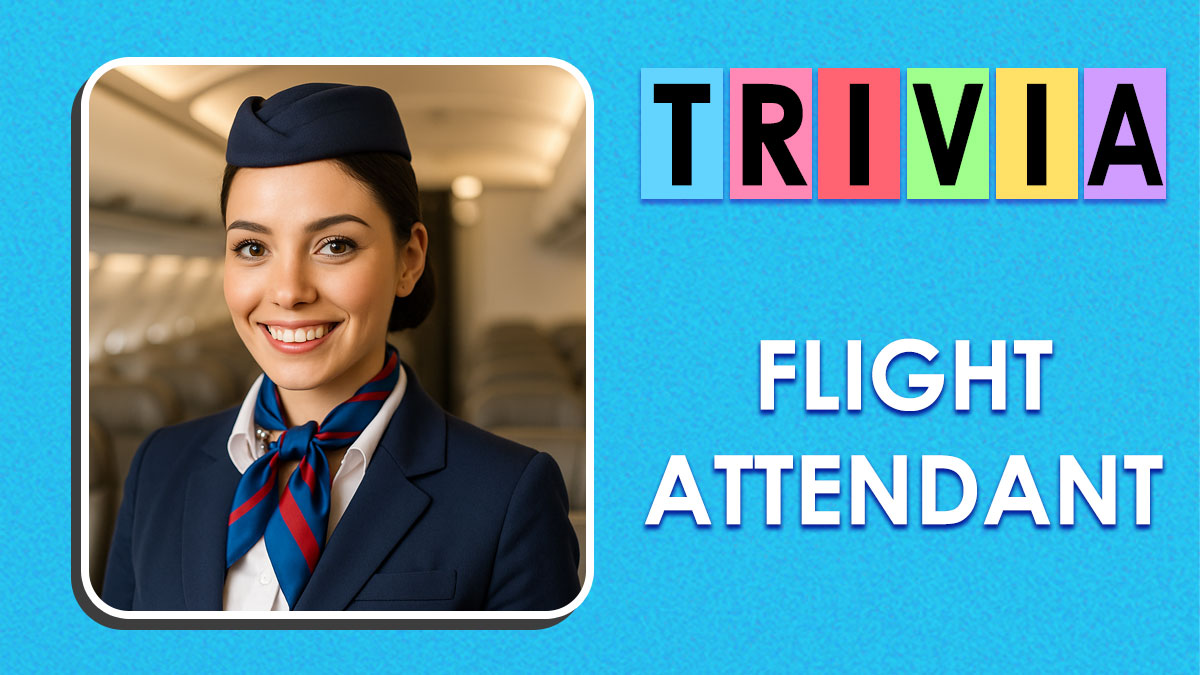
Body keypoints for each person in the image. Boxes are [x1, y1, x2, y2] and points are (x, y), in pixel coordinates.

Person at [101, 82, 581, 611]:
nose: (289, 291)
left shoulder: (506, 496)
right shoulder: (160, 467)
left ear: (409, 260)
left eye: (334, 245)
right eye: (253, 247)